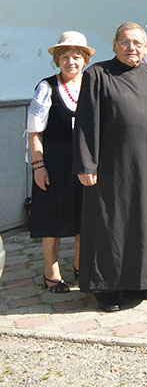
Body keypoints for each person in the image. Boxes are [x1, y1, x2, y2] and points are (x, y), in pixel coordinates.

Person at [74, 22, 147, 312]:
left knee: (145, 222)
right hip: (110, 166)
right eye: (126, 42)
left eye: (138, 43)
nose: (132, 48)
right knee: (111, 225)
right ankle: (106, 288)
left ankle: (144, 281)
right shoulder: (97, 75)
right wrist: (86, 163)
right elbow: (86, 123)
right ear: (115, 44)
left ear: (145, 47)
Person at [27, 31, 95, 293]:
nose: (71, 62)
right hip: (53, 162)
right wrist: (38, 165)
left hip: (84, 162)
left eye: (76, 56)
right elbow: (34, 131)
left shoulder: (90, 85)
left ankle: (80, 264)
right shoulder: (46, 87)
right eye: (64, 57)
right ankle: (51, 270)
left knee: (82, 214)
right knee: (51, 216)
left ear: (85, 60)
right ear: (57, 60)